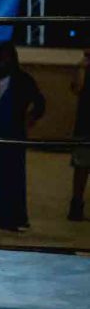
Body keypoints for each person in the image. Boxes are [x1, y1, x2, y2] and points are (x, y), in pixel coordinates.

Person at [0, 43, 46, 230]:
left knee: (11, 176)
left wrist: (31, 118)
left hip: (13, 135)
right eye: (1, 57)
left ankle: (12, 215)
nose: (4, 61)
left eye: (7, 57)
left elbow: (39, 101)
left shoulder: (22, 79)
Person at [70, 50, 90, 221]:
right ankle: (76, 203)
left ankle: (77, 203)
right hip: (85, 122)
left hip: (84, 122)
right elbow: (77, 88)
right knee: (81, 164)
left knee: (81, 165)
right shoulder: (83, 67)